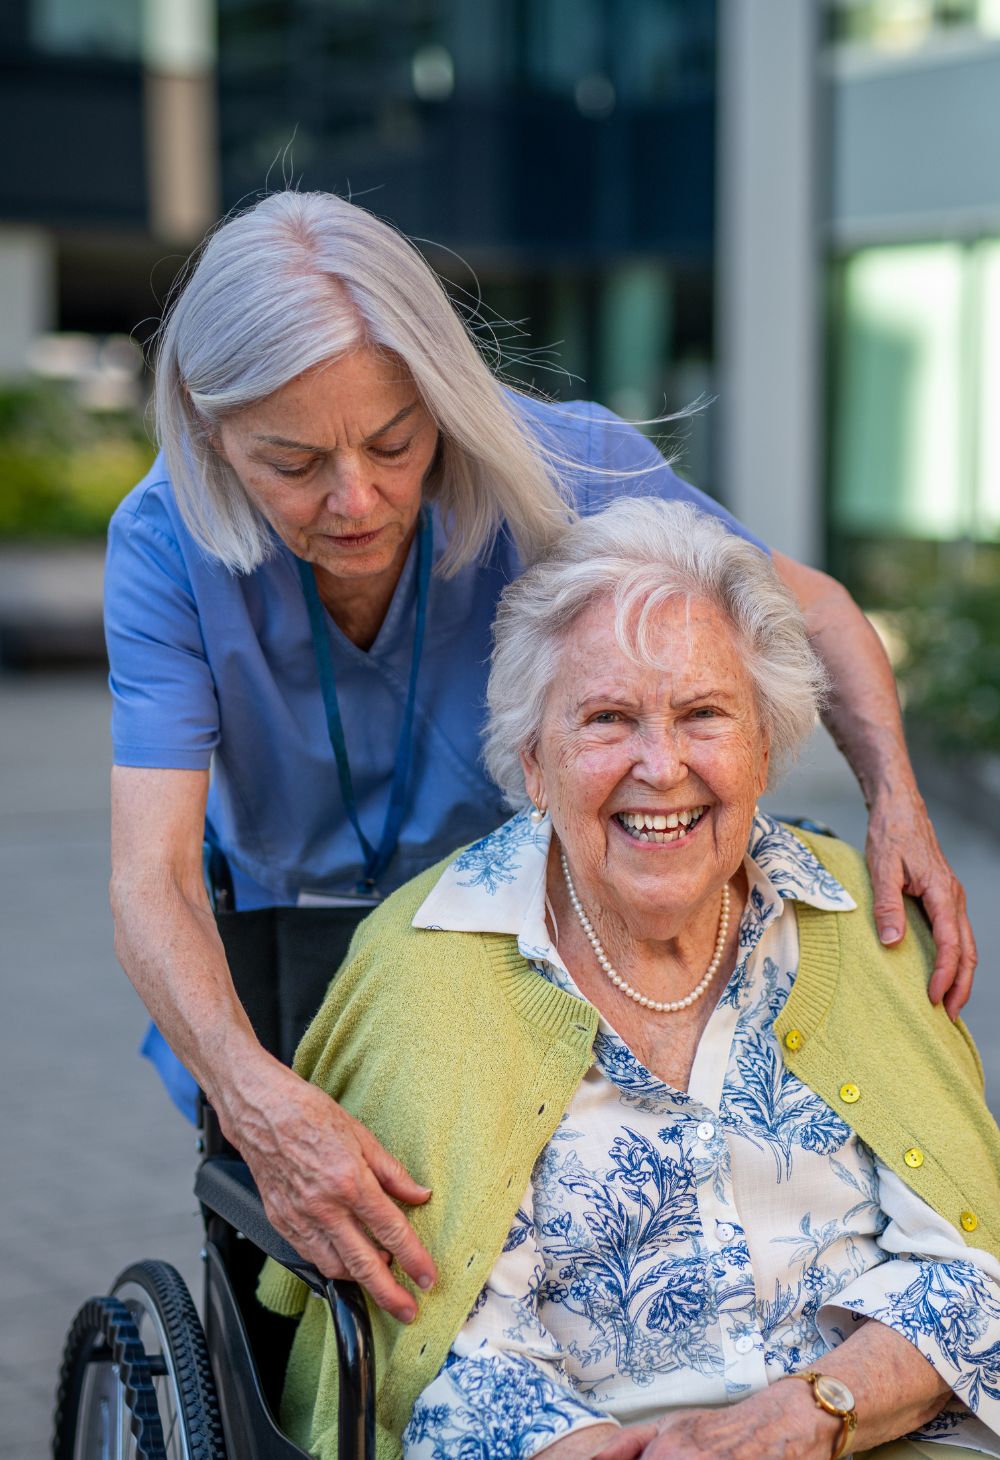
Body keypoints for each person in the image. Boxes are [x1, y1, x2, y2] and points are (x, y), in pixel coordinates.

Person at [105, 189, 975, 1325]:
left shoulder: (553, 460)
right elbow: (151, 875)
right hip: (300, 948)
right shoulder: (166, 542)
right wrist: (255, 1095)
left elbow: (812, 613)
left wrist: (896, 803)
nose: (355, 497)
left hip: (544, 933)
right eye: (292, 462)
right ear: (211, 429)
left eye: (394, 441)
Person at [258, 500, 1000, 1460]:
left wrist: (804, 1418)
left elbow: (970, 1259)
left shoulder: (860, 922)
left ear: (765, 747)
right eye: (608, 719)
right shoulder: (426, 965)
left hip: (872, 1431)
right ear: (533, 762)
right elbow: (440, 1350)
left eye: (704, 715)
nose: (663, 767)